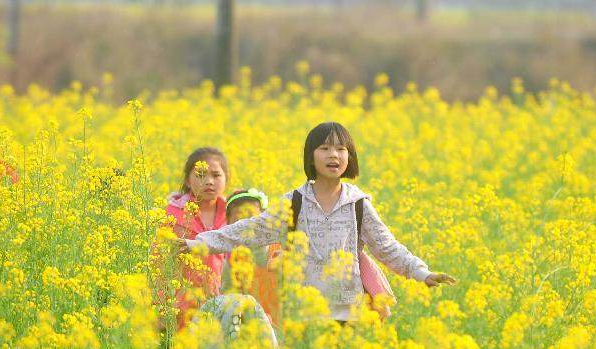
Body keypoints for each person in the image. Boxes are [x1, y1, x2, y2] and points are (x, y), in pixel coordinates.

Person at [181, 121, 456, 323]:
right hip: (304, 316)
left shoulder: (359, 204)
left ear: (350, 157)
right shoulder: (294, 203)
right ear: (311, 156)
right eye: (324, 148)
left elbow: (387, 247)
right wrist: (197, 244)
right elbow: (249, 230)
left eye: (340, 149)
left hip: (352, 314)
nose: (333, 155)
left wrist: (422, 273)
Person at [154, 147, 230, 332]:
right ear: (188, 180)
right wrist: (161, 303)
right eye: (201, 175)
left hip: (221, 303)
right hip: (179, 305)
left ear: (226, 179)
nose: (209, 181)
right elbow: (158, 263)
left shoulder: (233, 213)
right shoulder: (171, 215)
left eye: (216, 175)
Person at [220, 188, 282, 327]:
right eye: (239, 221)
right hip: (254, 331)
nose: (246, 227)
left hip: (286, 327)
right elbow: (230, 302)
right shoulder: (232, 263)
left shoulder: (279, 250)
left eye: (252, 219)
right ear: (229, 225)